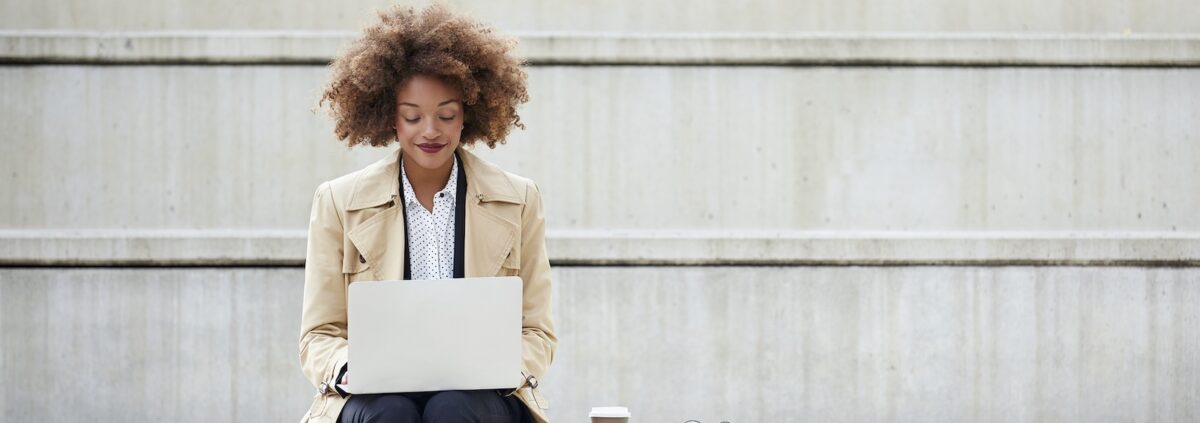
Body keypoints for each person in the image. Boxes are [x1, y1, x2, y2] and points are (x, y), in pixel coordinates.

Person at [298, 5, 556, 423]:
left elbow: (537, 331)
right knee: (391, 412)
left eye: (446, 115)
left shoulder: (519, 199)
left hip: (479, 396)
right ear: (388, 117)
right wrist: (352, 369)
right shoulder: (338, 202)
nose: (431, 131)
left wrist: (505, 367)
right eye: (412, 116)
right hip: (376, 397)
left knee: (452, 407)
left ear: (468, 113)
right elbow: (319, 335)